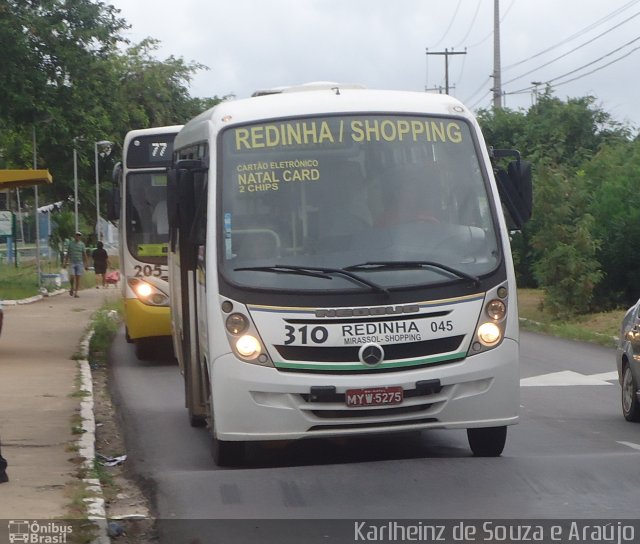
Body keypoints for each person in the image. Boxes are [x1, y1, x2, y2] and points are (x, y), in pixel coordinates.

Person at [63, 231, 88, 297]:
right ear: (75, 236)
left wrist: (86, 264)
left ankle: (76, 292)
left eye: (79, 235)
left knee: (78, 278)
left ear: (80, 237)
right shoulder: (71, 244)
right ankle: (72, 287)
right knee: (72, 276)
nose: (78, 237)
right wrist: (65, 262)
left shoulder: (82, 244)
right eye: (76, 235)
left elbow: (84, 254)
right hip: (72, 262)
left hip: (79, 262)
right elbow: (68, 254)